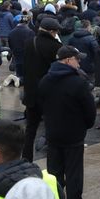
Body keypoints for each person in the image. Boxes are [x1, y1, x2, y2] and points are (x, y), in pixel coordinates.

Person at [39, 45, 97, 199]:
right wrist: (85, 125)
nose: (79, 61)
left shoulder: (46, 80)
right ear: (67, 60)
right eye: (77, 58)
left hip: (53, 133)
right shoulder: (78, 82)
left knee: (54, 173)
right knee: (74, 174)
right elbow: (89, 110)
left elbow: (41, 104)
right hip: (73, 135)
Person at [21, 17, 62, 160]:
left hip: (31, 92)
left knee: (30, 129)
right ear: (51, 31)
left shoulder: (28, 43)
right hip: (48, 94)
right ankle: (53, 159)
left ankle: (26, 158)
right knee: (51, 128)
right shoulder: (55, 47)